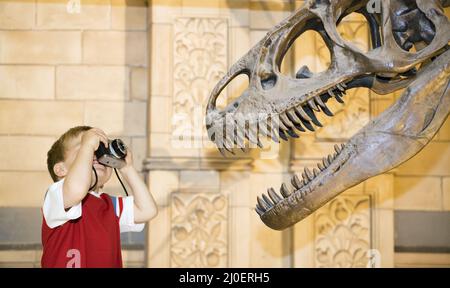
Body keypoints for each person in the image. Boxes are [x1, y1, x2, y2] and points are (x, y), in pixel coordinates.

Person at [41, 126, 157, 268]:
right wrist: (88, 145)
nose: (95, 154)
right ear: (61, 170)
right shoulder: (57, 196)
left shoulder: (109, 206)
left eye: (100, 150)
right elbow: (77, 188)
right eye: (84, 149)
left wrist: (127, 169)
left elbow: (147, 210)